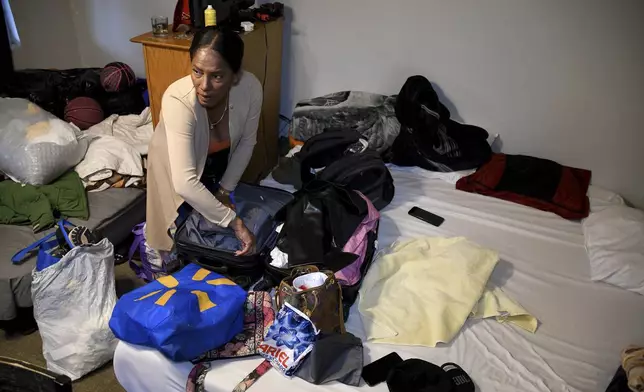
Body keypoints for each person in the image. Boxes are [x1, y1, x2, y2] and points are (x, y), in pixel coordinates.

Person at [146, 26, 262, 257]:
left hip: (216, 161)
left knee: (211, 229)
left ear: (235, 75)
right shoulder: (178, 99)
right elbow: (185, 183)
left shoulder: (249, 88)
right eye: (197, 72)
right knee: (176, 235)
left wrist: (223, 190)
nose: (204, 86)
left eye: (217, 76)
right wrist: (234, 222)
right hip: (176, 165)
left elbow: (247, 143)